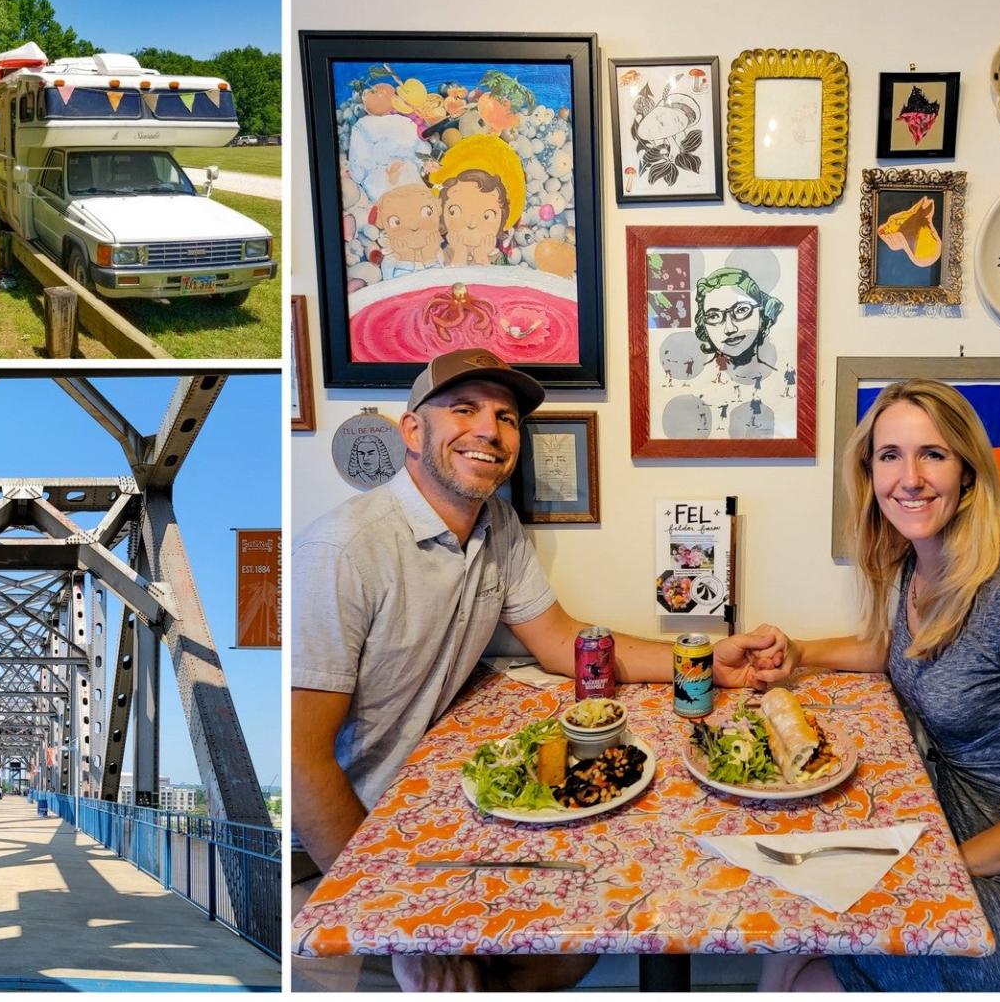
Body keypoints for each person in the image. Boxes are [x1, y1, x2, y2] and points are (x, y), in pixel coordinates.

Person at [292, 346, 792, 992]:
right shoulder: (343, 551)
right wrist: (392, 922)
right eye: (463, 409)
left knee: (578, 935)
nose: (488, 430)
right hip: (356, 833)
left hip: (441, 801)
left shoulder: (493, 522)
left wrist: (704, 664)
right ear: (411, 430)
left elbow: (559, 641)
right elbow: (305, 760)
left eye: (505, 417)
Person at [751, 379, 1000, 993]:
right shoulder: (920, 563)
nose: (910, 477)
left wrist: (940, 870)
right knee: (798, 913)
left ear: (967, 471)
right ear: (869, 473)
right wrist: (801, 652)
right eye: (890, 455)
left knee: (811, 944)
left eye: (932, 454)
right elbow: (900, 647)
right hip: (968, 833)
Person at [693, 267, 779, 380]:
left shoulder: (777, 375)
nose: (730, 329)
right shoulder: (699, 378)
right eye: (713, 316)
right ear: (703, 326)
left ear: (761, 316)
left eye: (741, 310)